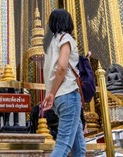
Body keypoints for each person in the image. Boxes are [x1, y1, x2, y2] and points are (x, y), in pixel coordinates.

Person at [41, 9, 86, 157]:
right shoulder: (66, 39)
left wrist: (51, 94)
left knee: (79, 148)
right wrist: (52, 93)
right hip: (68, 94)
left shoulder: (49, 44)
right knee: (64, 144)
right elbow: (62, 67)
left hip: (60, 98)